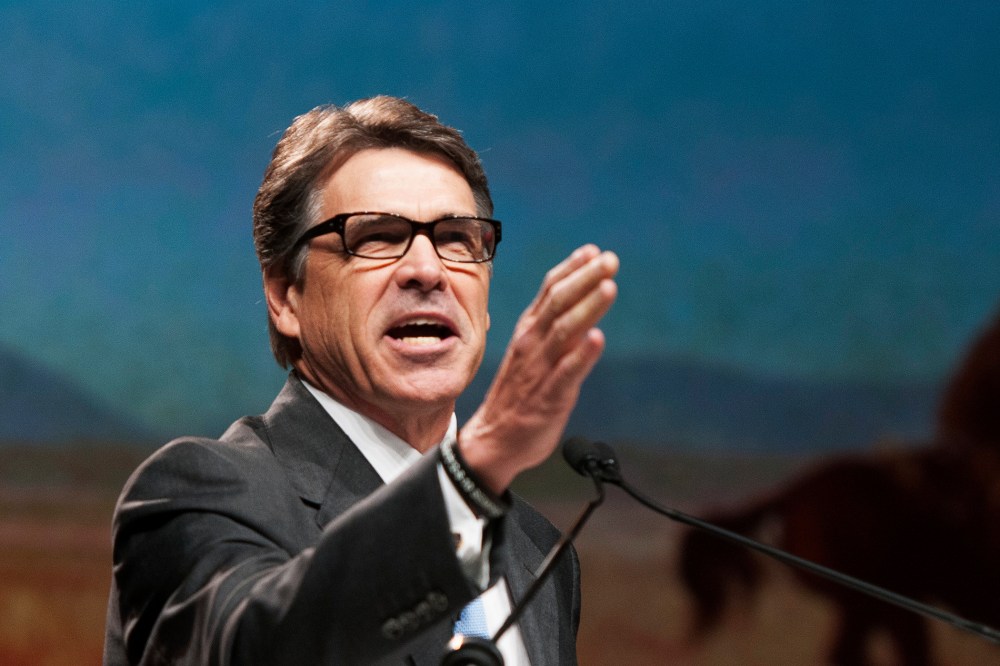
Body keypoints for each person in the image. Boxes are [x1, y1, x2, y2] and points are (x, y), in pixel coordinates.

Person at [103, 95, 619, 666]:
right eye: (376, 235)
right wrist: (471, 475)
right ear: (285, 296)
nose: (428, 270)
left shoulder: (539, 552)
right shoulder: (199, 494)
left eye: (457, 238)